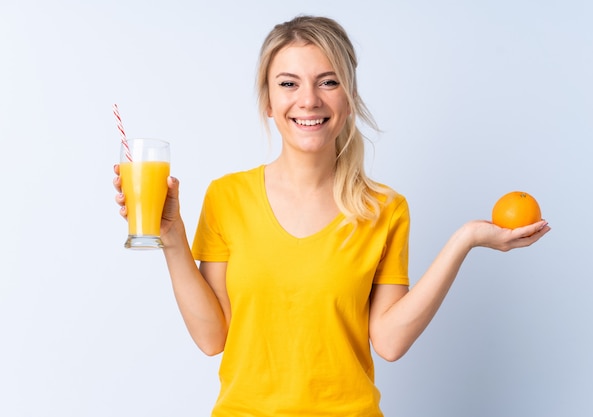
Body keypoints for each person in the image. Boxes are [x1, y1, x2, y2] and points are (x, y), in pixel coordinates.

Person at [113, 15, 550, 417]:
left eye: (328, 82)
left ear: (349, 98)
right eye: (288, 84)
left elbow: (390, 341)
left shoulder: (384, 209)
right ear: (268, 101)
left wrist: (466, 239)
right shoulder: (227, 196)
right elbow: (213, 339)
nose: (308, 100)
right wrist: (171, 240)